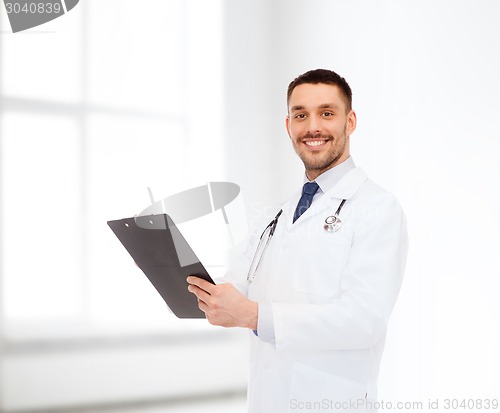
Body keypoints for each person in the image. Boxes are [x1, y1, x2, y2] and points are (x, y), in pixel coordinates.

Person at [187, 69, 408, 413]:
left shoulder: (378, 208)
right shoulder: (277, 214)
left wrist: (257, 317)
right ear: (288, 126)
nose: (312, 127)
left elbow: (364, 320)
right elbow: (236, 285)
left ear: (350, 122)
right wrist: (175, 270)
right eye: (300, 115)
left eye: (327, 113)